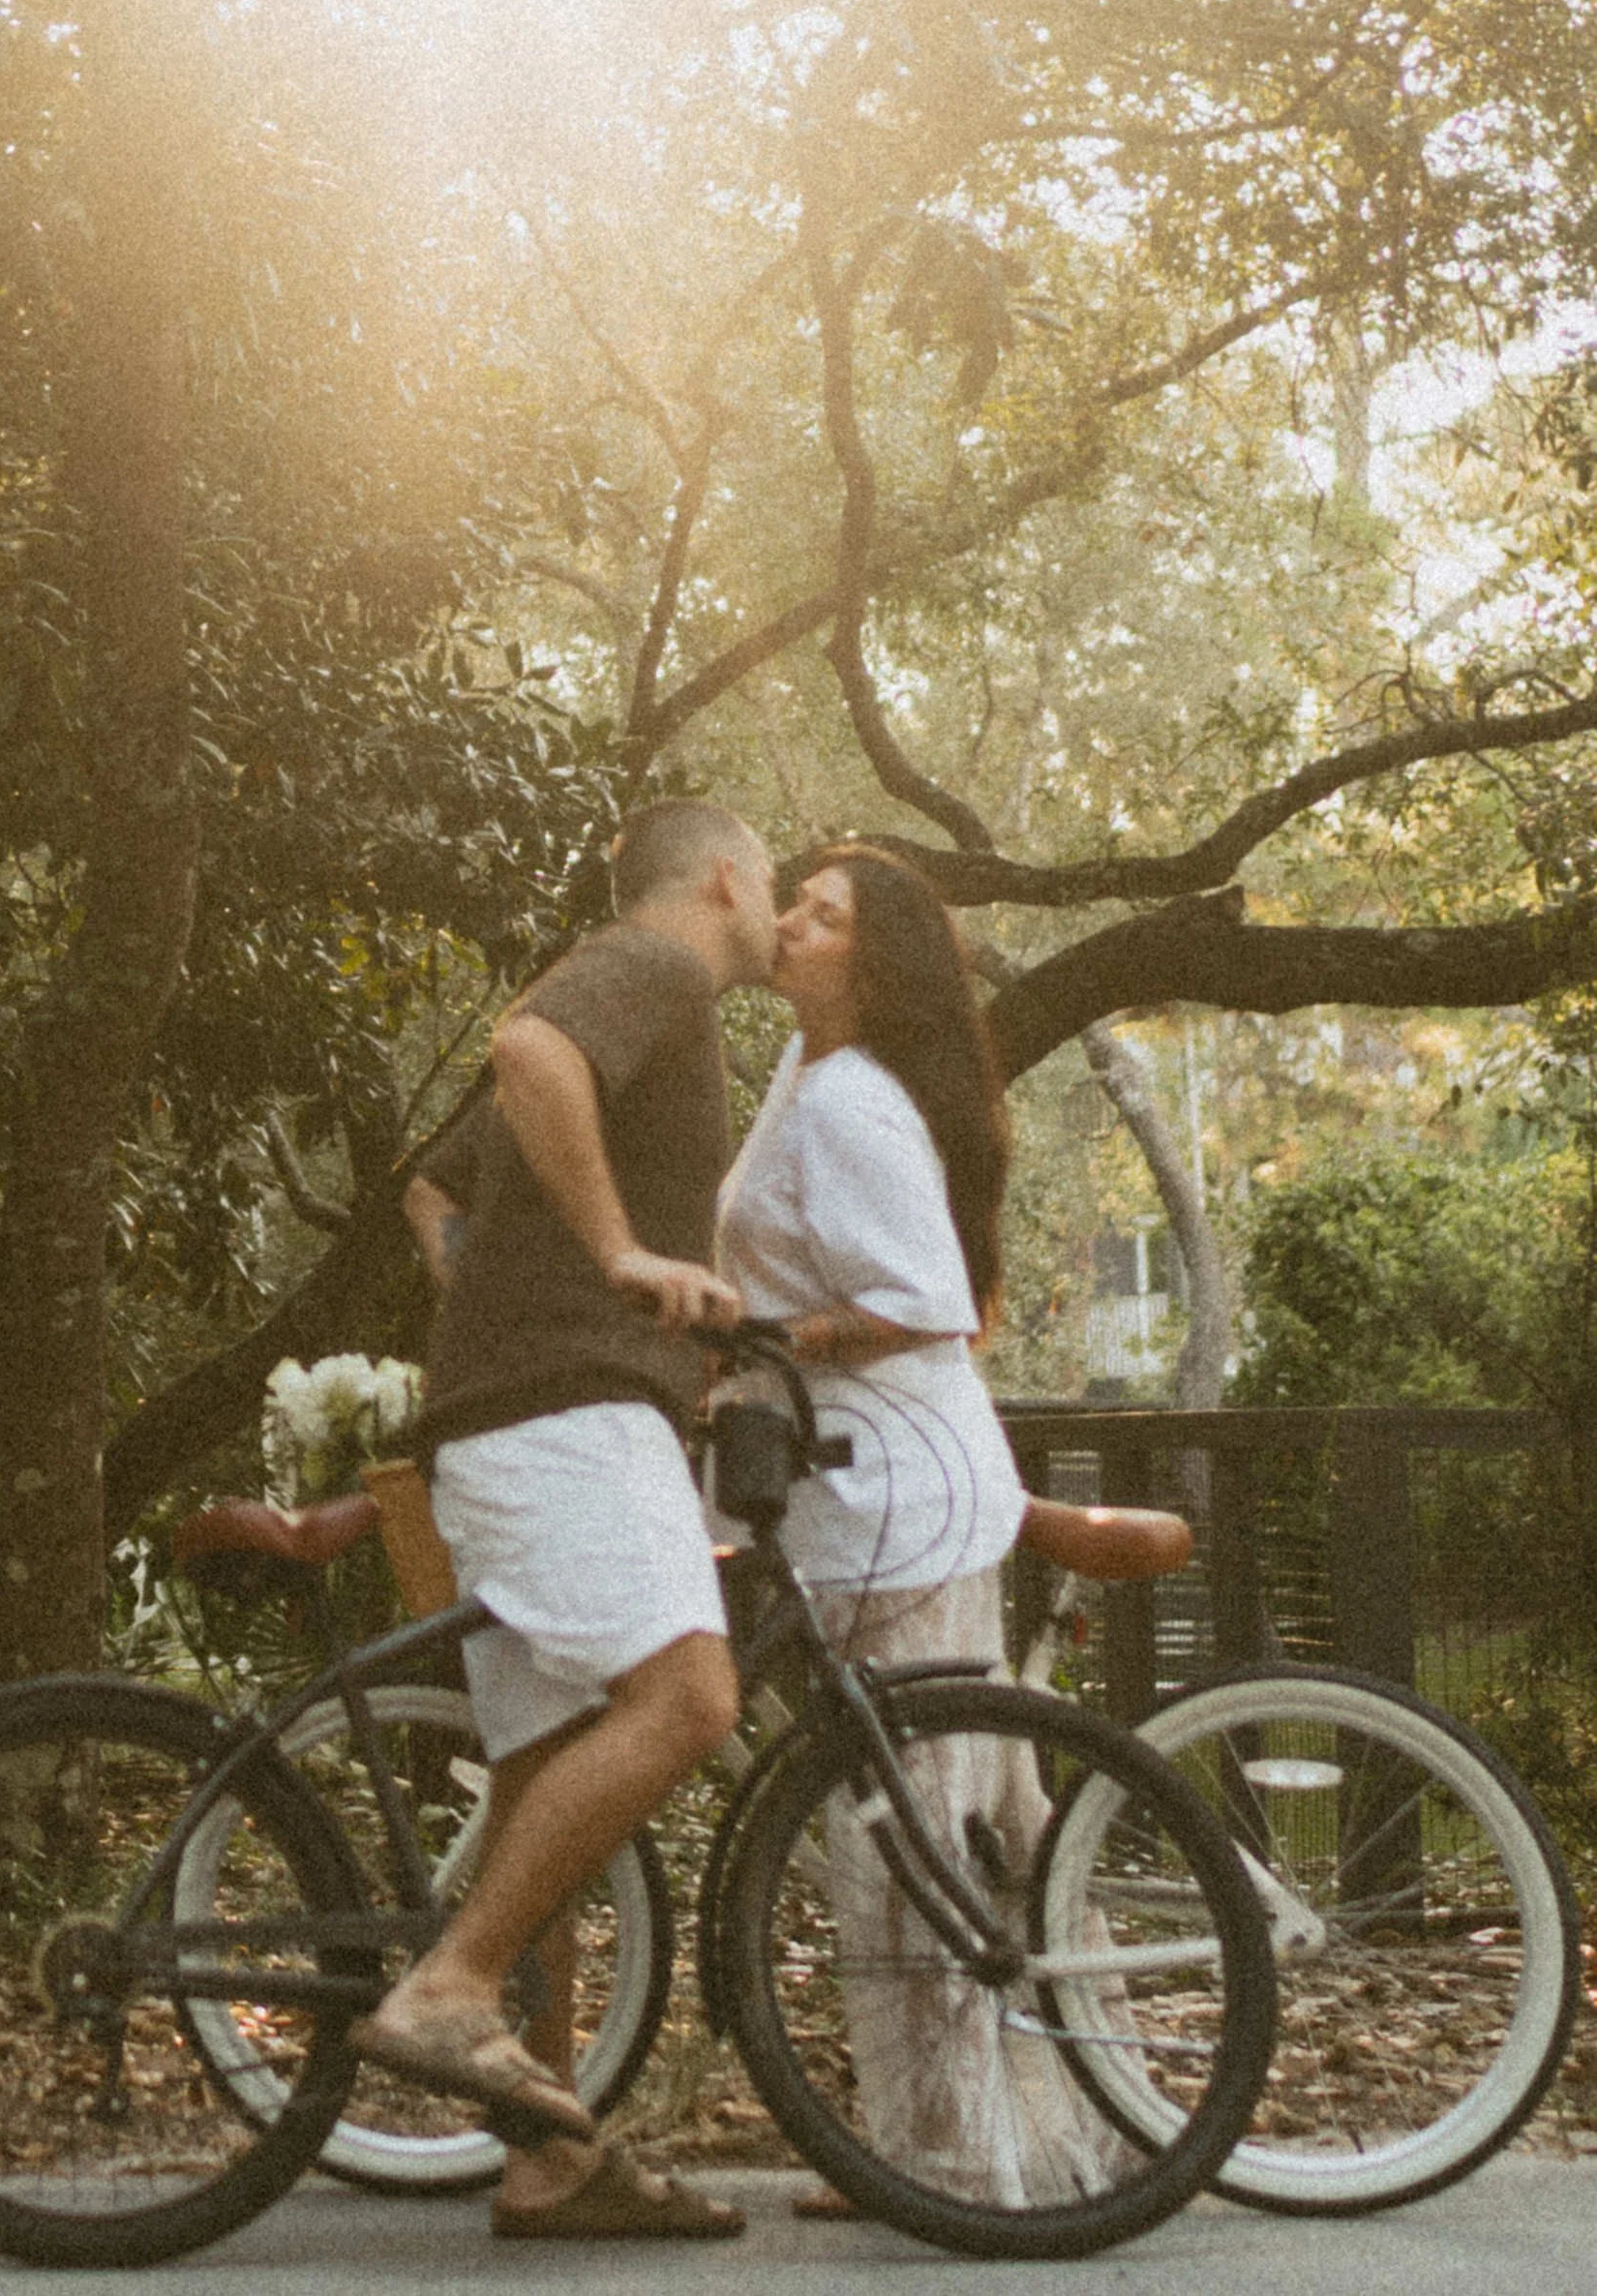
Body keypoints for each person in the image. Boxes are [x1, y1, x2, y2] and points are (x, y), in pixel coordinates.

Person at [361, 797, 776, 2240]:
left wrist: (500, 1305)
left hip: (511, 1413)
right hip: (561, 1420)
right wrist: (614, 1260)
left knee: (553, 1796)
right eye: (775, 881)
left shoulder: (654, 1015)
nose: (778, 910)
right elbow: (526, 1049)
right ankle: (448, 1986)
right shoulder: (654, 967)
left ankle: (544, 2155)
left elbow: (433, 1188)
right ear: (728, 874)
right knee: (687, 1701)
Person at [714, 839, 1122, 2214]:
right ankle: (972, 2130)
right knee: (921, 1823)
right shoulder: (806, 1074)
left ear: (872, 963)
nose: (790, 924)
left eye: (824, 917)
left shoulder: (848, 1099)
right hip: (860, 1487)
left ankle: (951, 2156)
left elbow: (928, 1295)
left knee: (915, 1836)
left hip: (897, 1493)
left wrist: (779, 1330)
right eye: (797, 902)